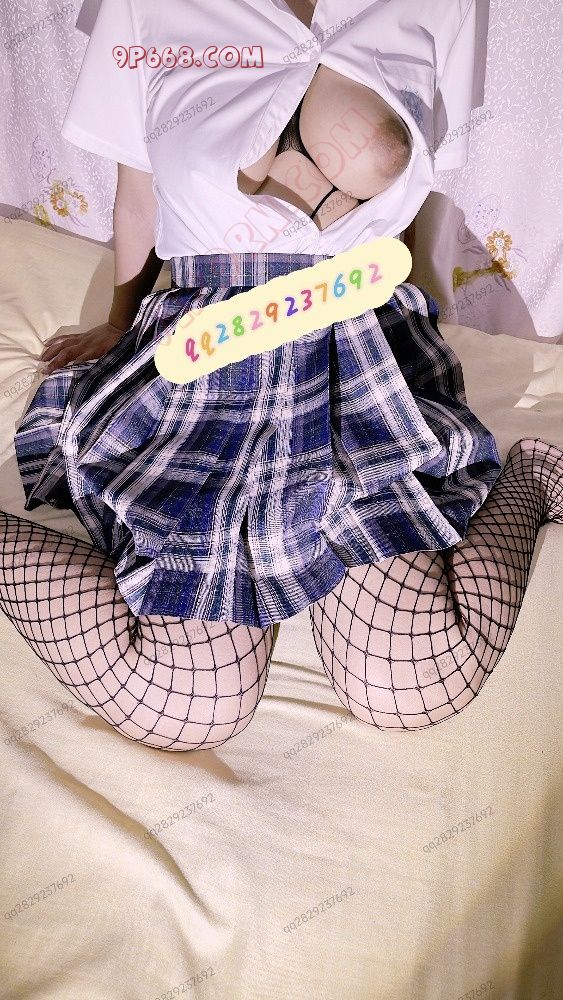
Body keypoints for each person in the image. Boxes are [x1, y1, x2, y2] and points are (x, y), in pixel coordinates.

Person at [1, 0, 561, 751]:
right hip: (208, 358)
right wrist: (119, 320)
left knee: (410, 679)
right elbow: (137, 199)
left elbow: (414, 210)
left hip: (354, 349)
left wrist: (423, 343)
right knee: (189, 703)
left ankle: (535, 473)